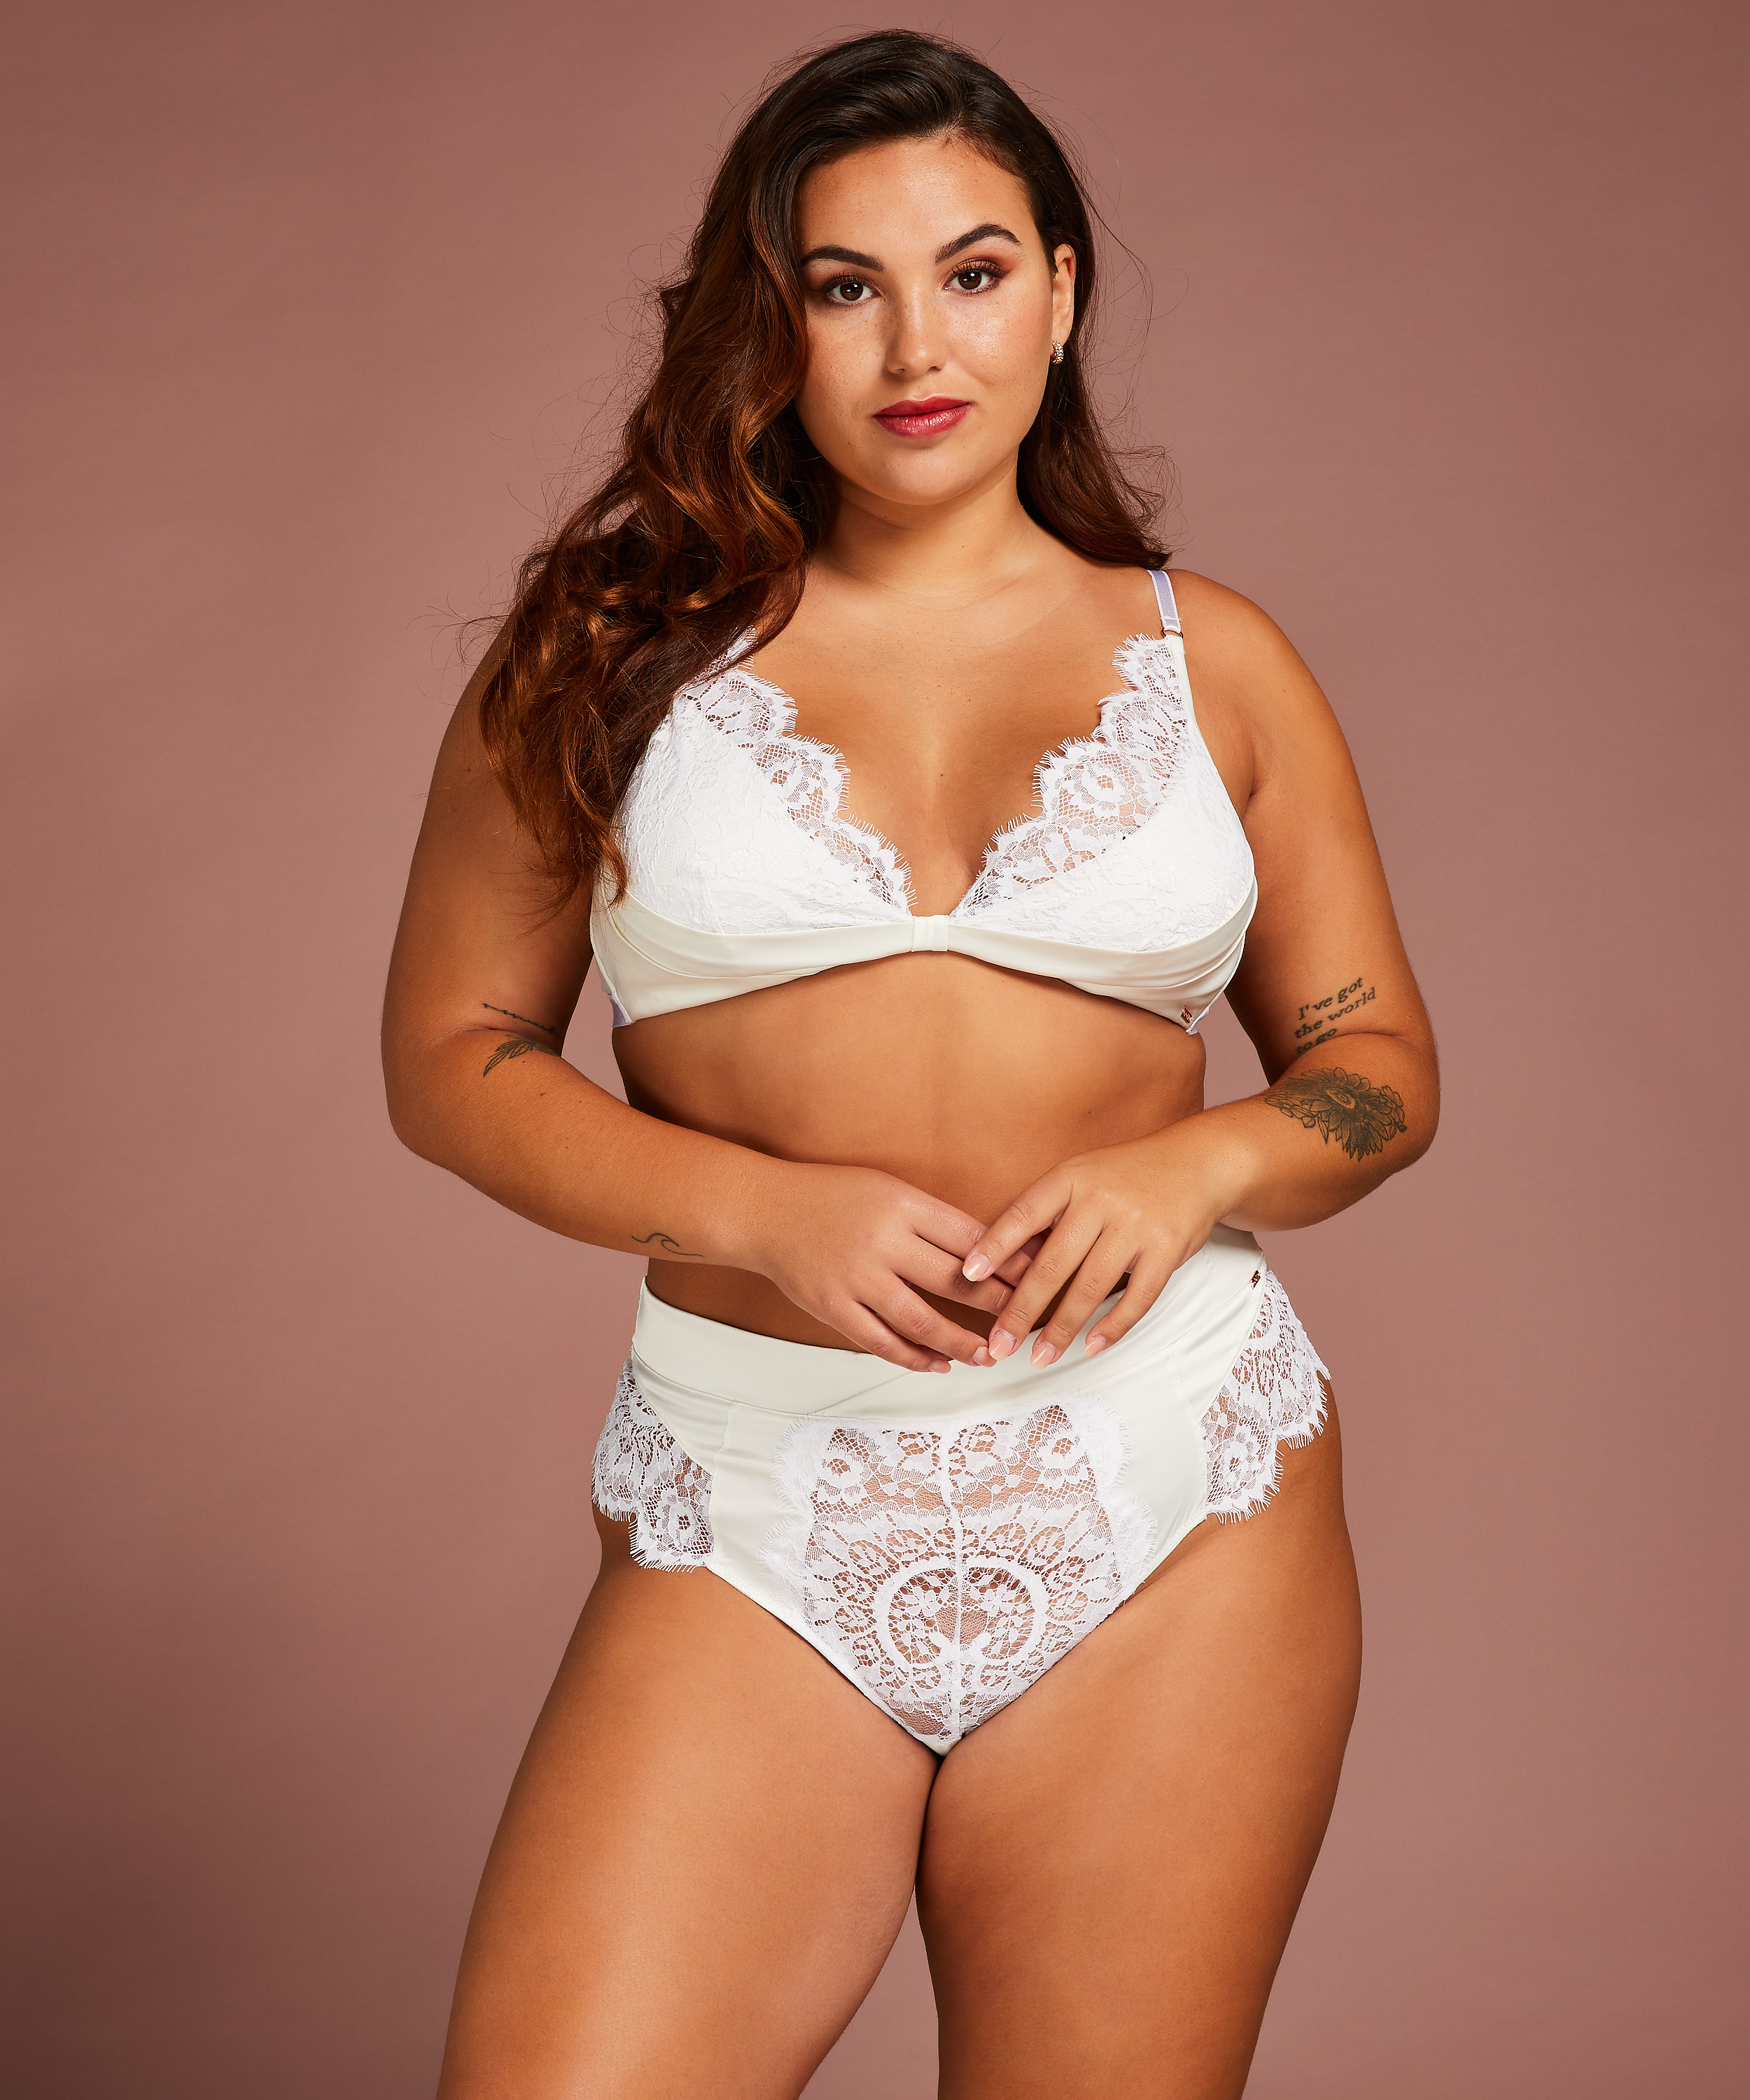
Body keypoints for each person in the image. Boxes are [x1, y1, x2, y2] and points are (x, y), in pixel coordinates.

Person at [383, 29, 1437, 2099]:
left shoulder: (1216, 662)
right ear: (764, 322)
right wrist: (757, 1210)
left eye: (972, 272)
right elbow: (450, 1055)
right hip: (761, 1485)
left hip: (1169, 1484)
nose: (914, 345)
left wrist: (1199, 1166)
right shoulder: (607, 652)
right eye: (841, 286)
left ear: (1060, 292)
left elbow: (1376, 1059)